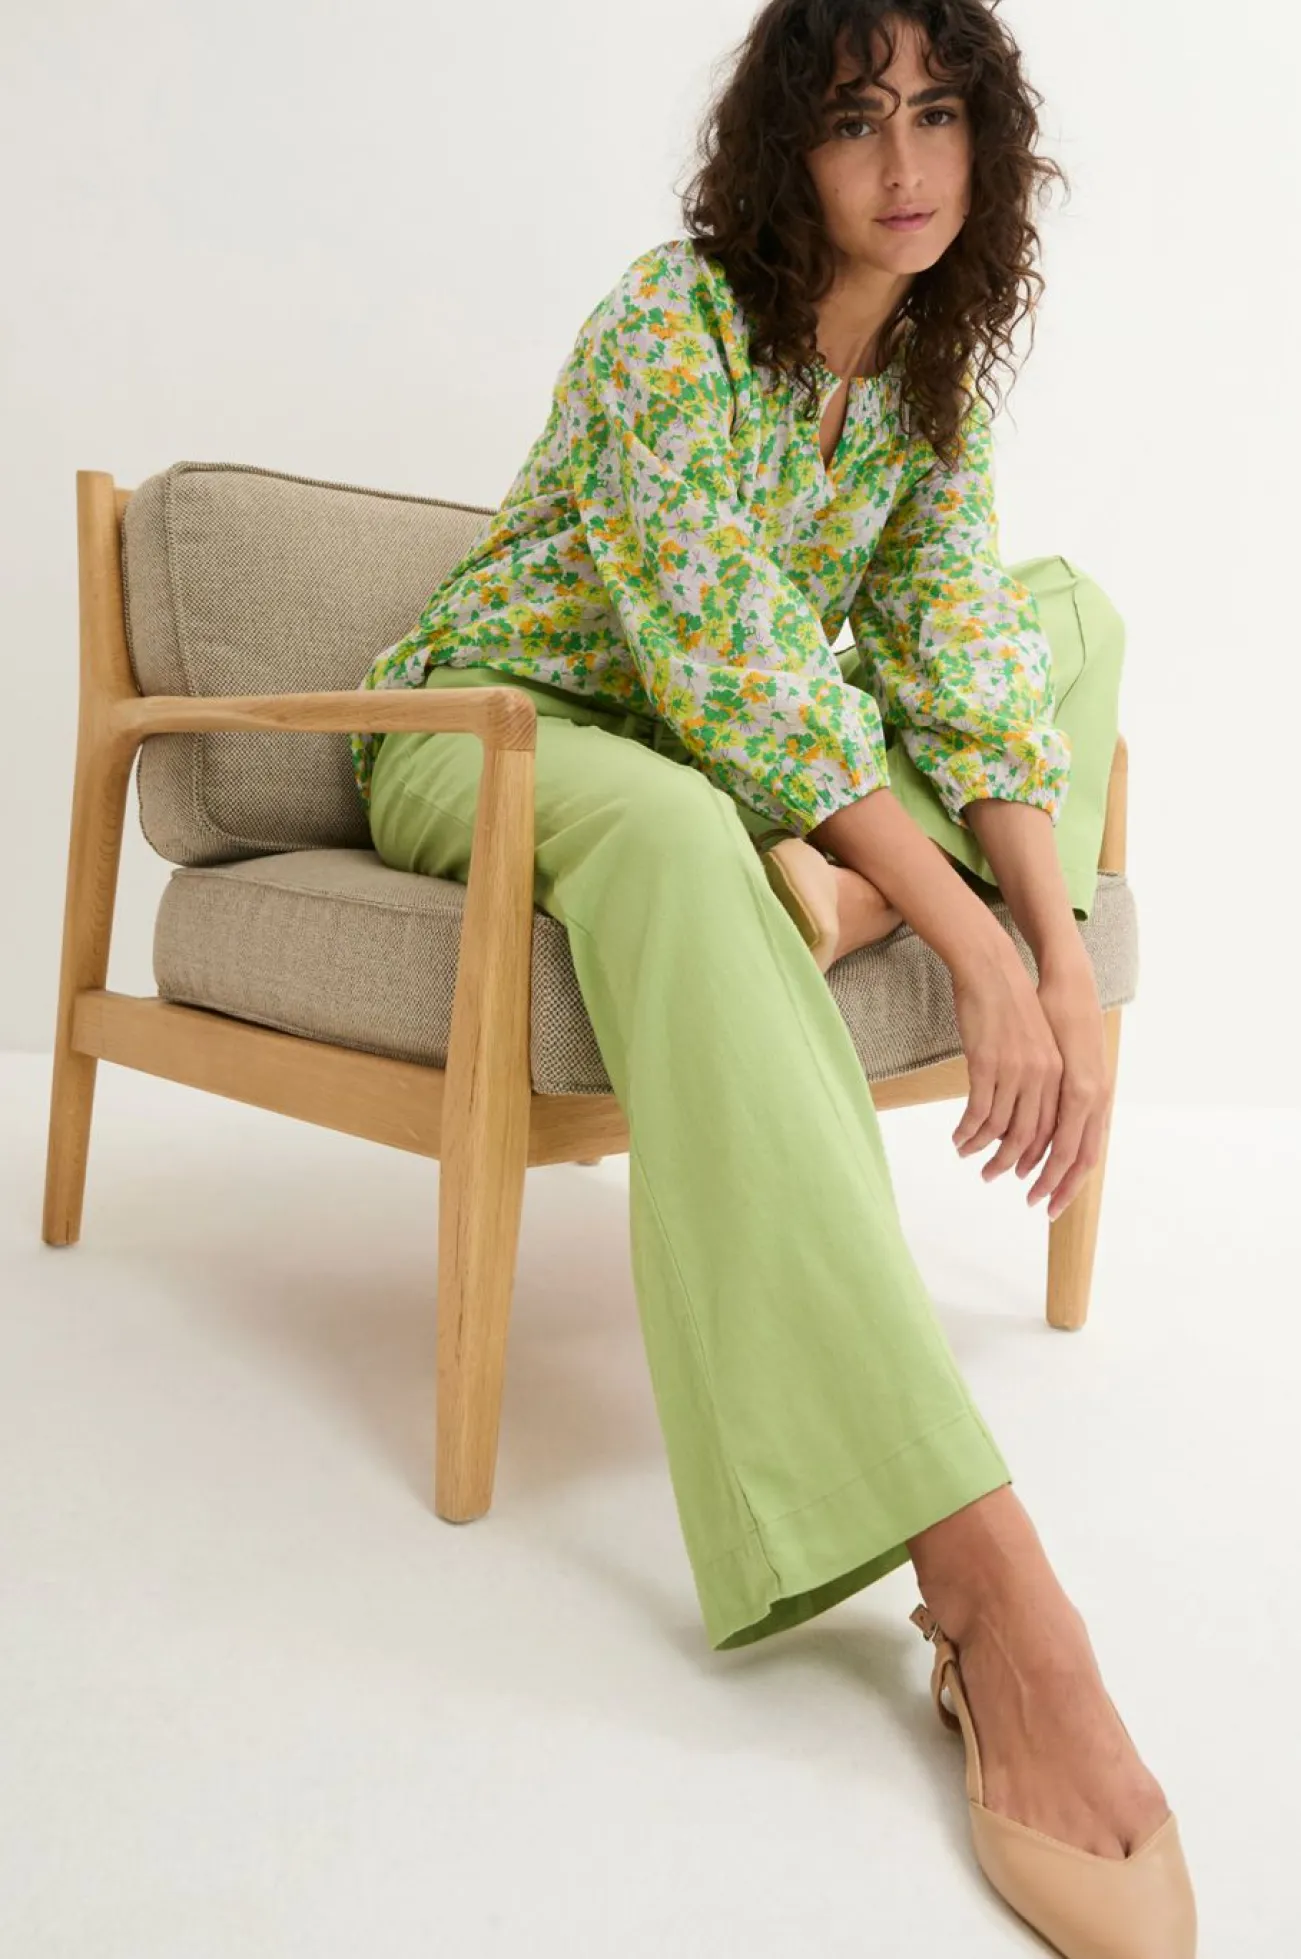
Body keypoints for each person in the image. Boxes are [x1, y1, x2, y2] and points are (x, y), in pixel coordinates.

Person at [353, 5, 1195, 1951]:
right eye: (853, 119)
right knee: (676, 822)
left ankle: (829, 886)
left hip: (731, 751)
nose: (902, 164)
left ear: (986, 146)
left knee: (1061, 617)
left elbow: (961, 651)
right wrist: (971, 931)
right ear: (782, 151)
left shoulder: (926, 373)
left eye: (938, 114)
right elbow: (731, 655)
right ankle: (985, 1584)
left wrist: (1060, 966)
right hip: (505, 736)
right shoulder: (672, 323)